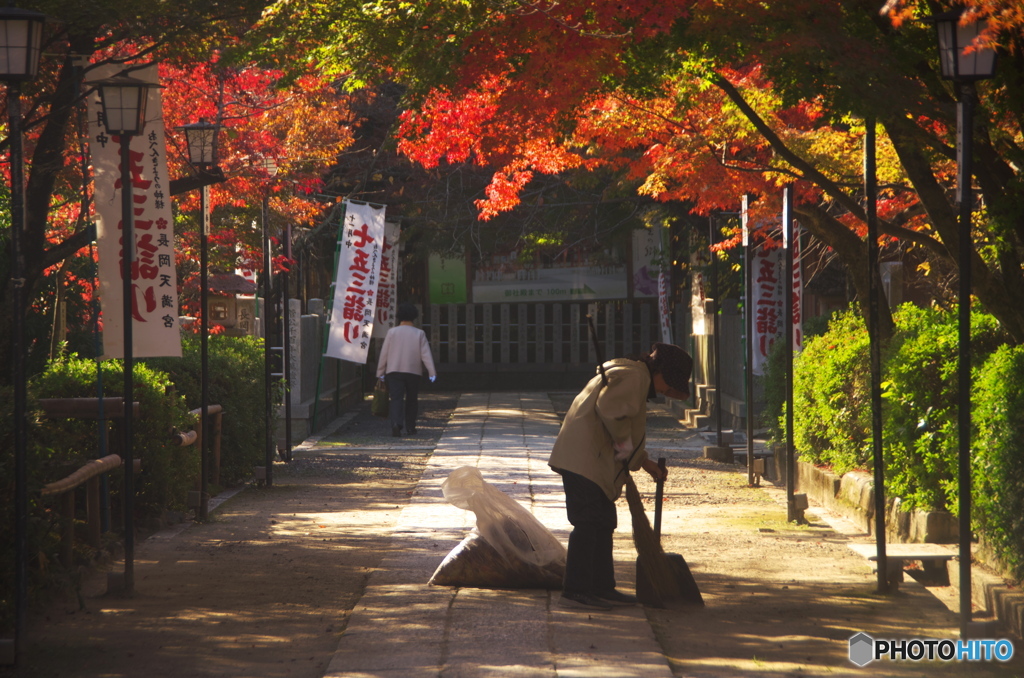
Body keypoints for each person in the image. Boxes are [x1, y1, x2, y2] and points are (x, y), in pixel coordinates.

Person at [548, 342, 692, 611]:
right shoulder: (636, 376)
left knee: (603, 522)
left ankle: (602, 587)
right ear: (658, 370)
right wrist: (628, 452)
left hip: (590, 459)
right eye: (667, 383)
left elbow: (619, 419)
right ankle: (575, 591)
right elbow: (612, 412)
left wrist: (641, 461)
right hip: (585, 460)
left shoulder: (632, 374)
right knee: (588, 522)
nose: (664, 390)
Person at [376, 302, 437, 437]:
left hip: (394, 371)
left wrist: (380, 372)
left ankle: (396, 424)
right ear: (414, 317)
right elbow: (425, 354)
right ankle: (410, 427)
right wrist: (431, 372)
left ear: (399, 316)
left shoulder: (392, 332)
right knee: (412, 399)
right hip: (413, 371)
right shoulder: (419, 333)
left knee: (396, 398)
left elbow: (384, 353)